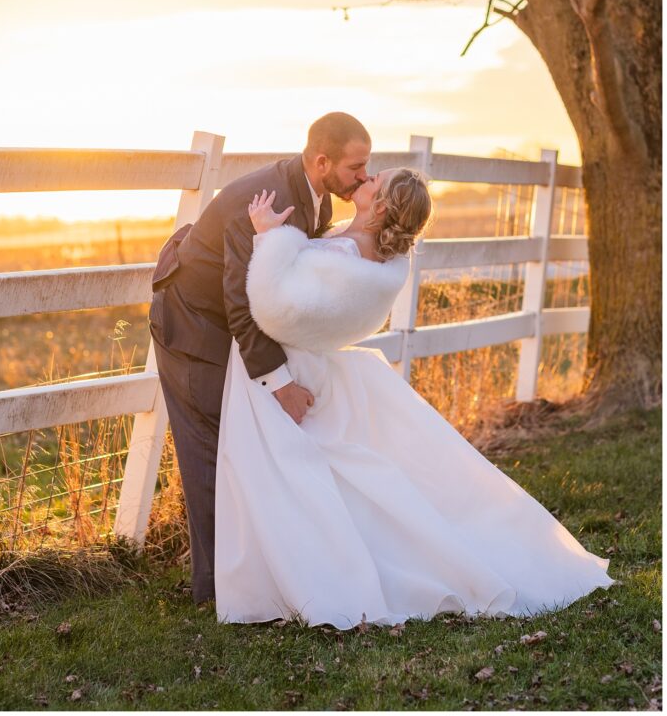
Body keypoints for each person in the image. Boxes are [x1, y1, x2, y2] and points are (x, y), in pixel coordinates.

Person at [215, 168, 614, 629]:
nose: (364, 177)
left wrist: (268, 238)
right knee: (338, 476)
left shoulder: (345, 251)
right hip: (317, 365)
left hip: (290, 370)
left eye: (373, 179)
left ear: (380, 206)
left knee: (288, 475)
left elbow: (275, 308)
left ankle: (314, 578)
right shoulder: (377, 259)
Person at [148, 112, 372, 604]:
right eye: (357, 166)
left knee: (242, 444)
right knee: (211, 449)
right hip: (191, 324)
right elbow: (242, 304)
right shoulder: (272, 201)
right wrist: (281, 383)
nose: (363, 176)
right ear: (322, 161)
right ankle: (215, 591)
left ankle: (257, 572)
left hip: (227, 322)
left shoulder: (314, 198)